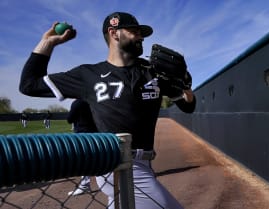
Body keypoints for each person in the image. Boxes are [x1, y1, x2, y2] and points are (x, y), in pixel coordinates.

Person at [19, 11, 196, 209]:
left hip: (143, 163)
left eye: (141, 33)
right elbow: (29, 84)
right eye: (134, 31)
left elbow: (188, 106)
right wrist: (48, 42)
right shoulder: (88, 75)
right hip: (114, 161)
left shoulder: (153, 72)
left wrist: (185, 84)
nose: (141, 36)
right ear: (114, 33)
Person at [66, 99, 98, 196]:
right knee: (98, 158)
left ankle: (84, 186)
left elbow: (69, 119)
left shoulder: (77, 102)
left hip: (82, 134)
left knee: (84, 161)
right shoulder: (94, 100)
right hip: (97, 134)